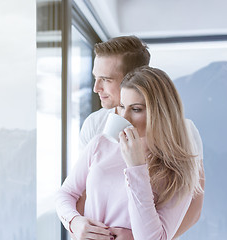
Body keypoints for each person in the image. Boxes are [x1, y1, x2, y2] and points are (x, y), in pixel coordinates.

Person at [76, 36, 205, 239]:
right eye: (95, 78)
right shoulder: (95, 125)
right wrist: (79, 227)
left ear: (134, 77)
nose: (96, 88)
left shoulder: (183, 132)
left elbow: (193, 207)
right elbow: (82, 194)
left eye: (106, 80)